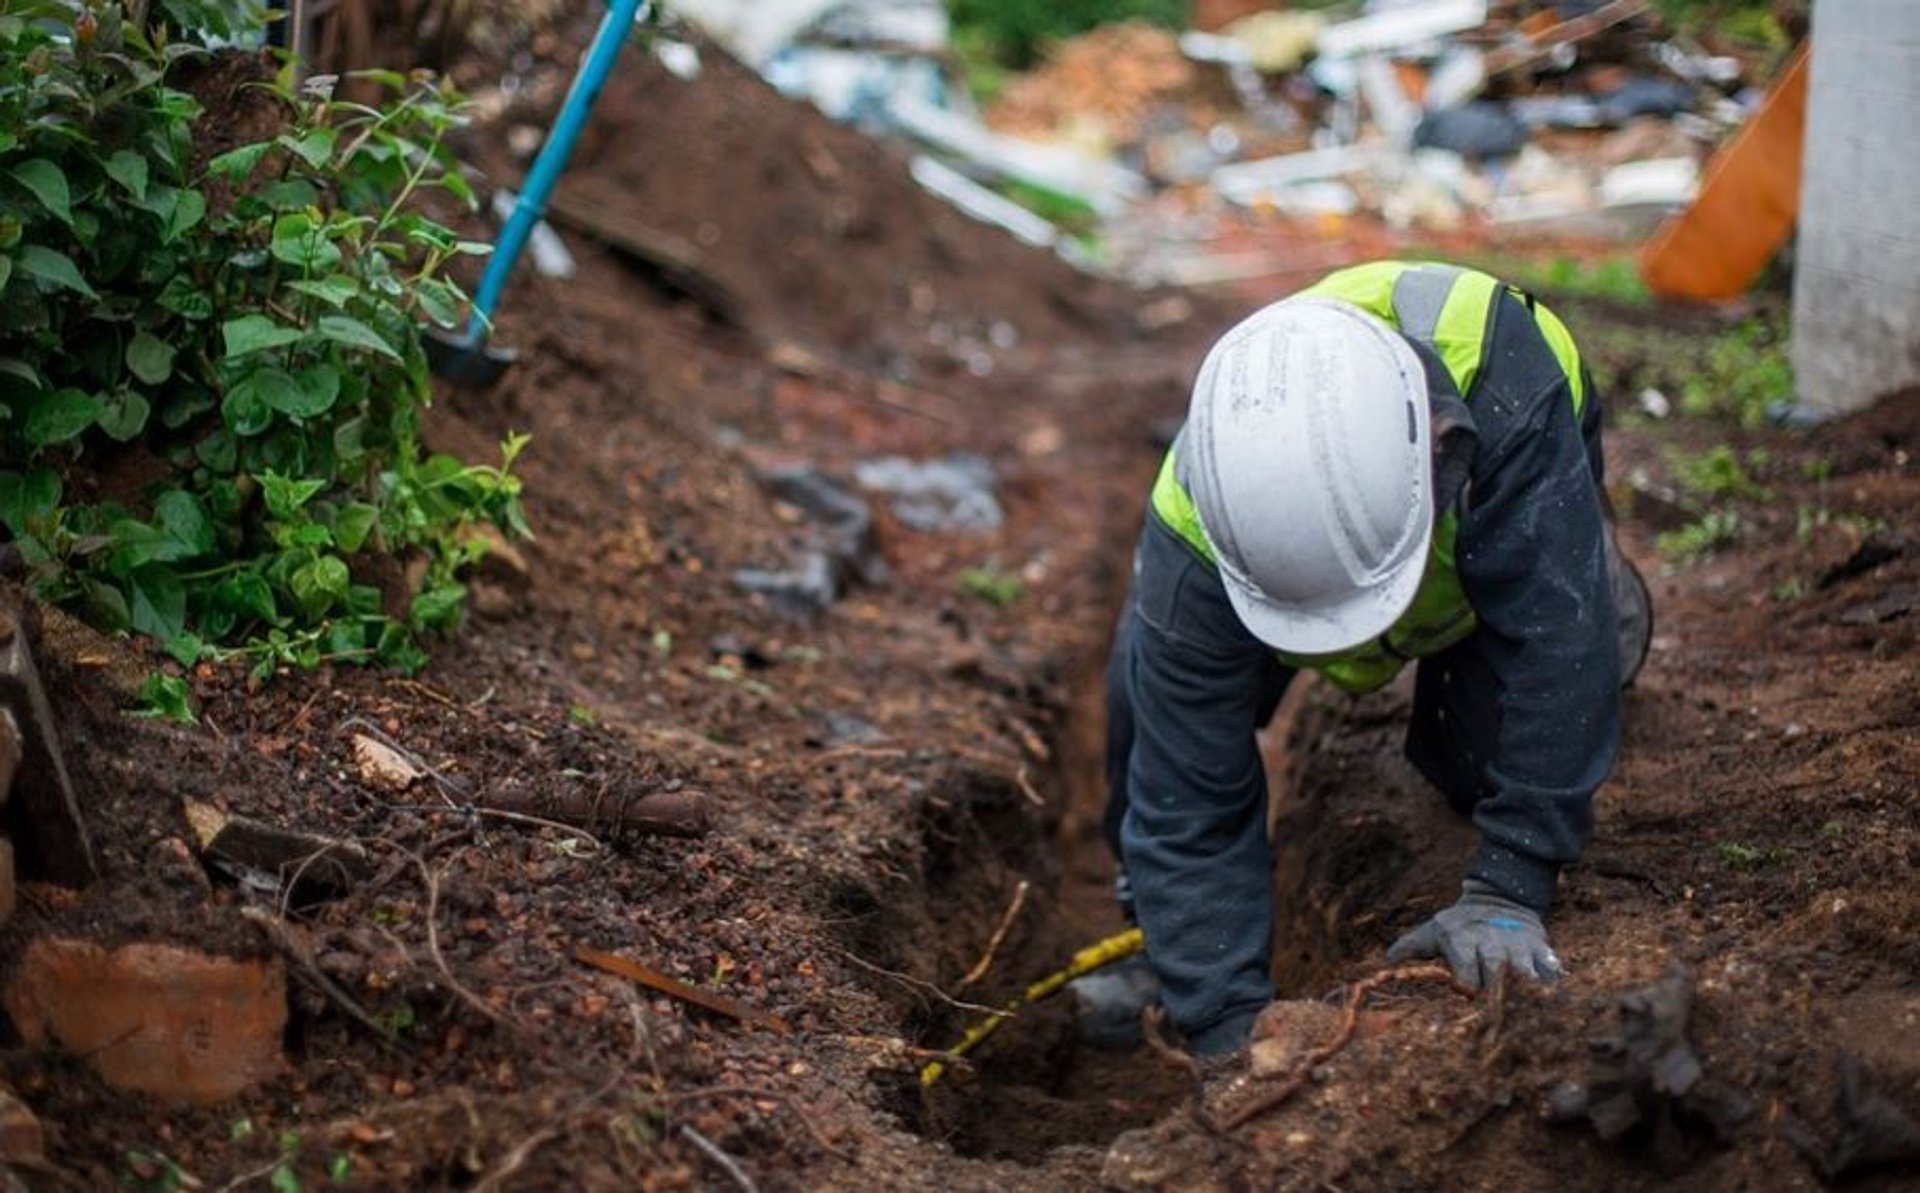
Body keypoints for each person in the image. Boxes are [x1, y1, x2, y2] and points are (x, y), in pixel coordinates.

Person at [1074, 260, 1652, 1058]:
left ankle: (1601, 581)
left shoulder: (1509, 382)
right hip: (1289, 556)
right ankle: (1160, 941)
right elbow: (1185, 796)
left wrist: (1509, 885)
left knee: (1523, 712)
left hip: (1496, 521)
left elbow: (1557, 649)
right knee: (1147, 708)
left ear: (1443, 456)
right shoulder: (1201, 513)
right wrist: (1225, 1032)